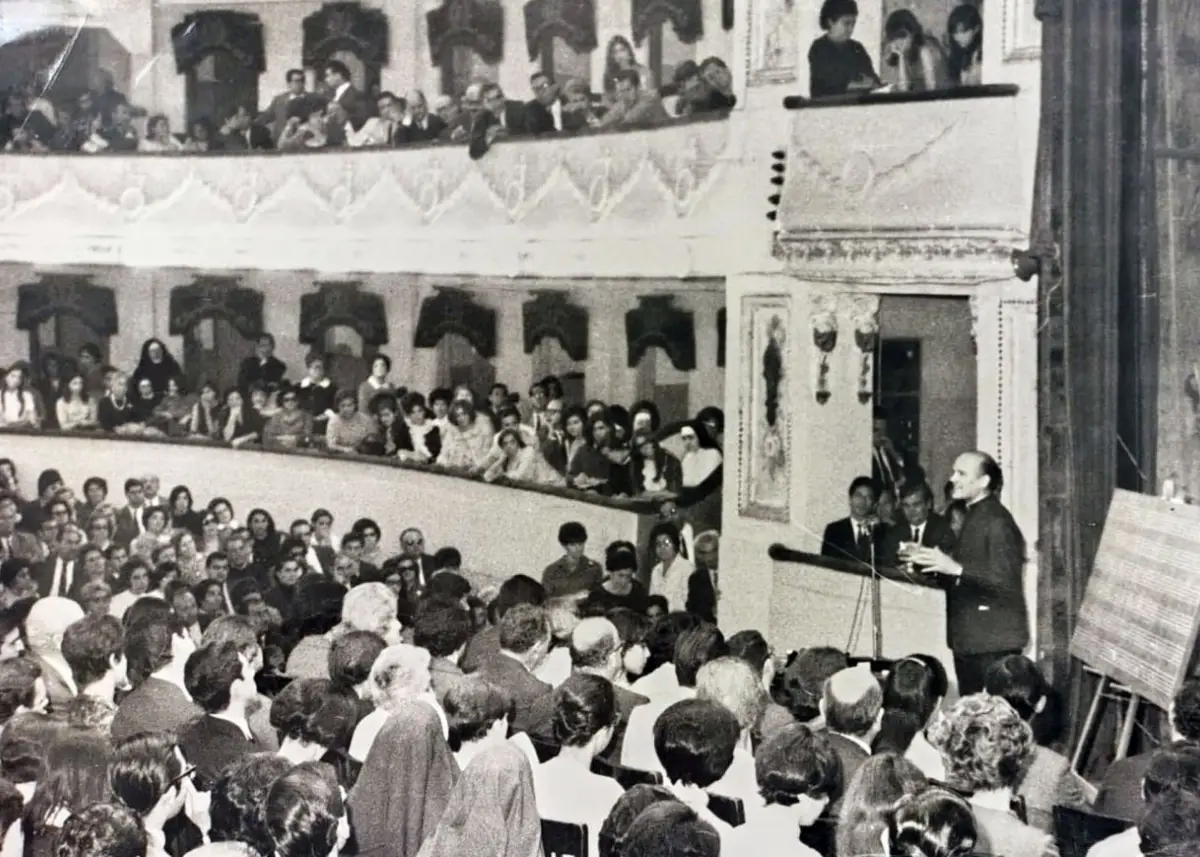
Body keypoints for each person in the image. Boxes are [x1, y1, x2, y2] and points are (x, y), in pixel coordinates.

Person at [911, 451, 1028, 695]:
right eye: (954, 472)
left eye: (961, 473)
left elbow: (1005, 582)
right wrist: (930, 563)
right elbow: (969, 576)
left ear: (984, 482)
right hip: (973, 641)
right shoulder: (974, 514)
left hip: (991, 645)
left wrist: (955, 568)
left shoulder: (998, 521)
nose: (953, 478)